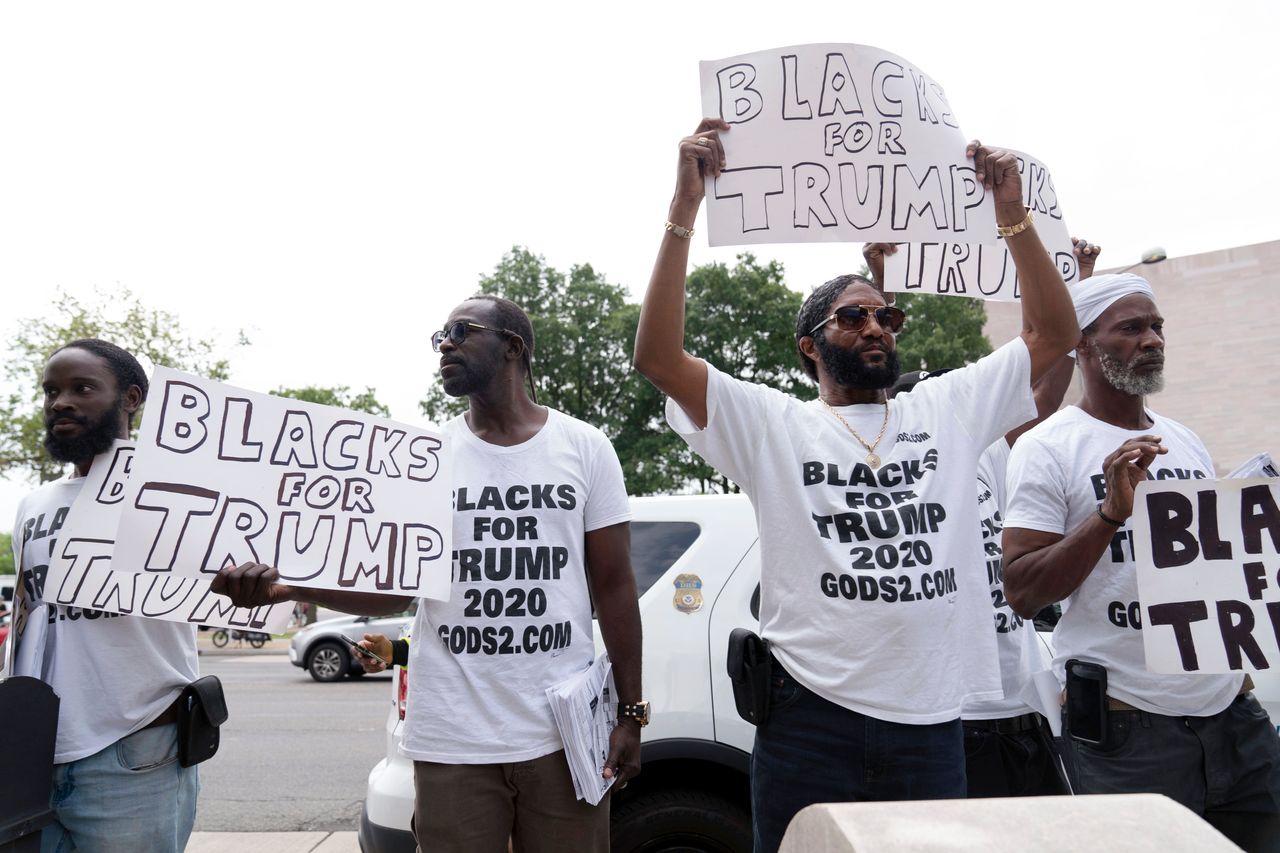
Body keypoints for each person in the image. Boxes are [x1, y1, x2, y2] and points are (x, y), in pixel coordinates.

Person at [633, 119, 1079, 853]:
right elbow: (658, 353)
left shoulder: (947, 409)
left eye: (886, 315)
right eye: (852, 316)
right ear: (810, 346)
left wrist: (1013, 218)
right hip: (808, 720)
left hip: (934, 722)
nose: (876, 326)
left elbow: (1054, 335)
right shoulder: (772, 424)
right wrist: (683, 210)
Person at [214, 296, 644, 853]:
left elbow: (614, 587)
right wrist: (290, 586)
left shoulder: (584, 447)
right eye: (440, 335)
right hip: (452, 738)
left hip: (563, 736)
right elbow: (392, 586)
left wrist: (631, 713)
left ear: (514, 347)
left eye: (462, 331)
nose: (445, 344)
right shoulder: (425, 458)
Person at [1002, 272, 1280, 850]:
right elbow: (1024, 589)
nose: (1152, 339)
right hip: (1128, 727)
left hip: (1231, 714)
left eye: (1156, 327)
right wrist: (1108, 515)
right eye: (1131, 328)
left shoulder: (1186, 440)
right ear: (1083, 342)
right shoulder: (1047, 447)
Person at [870, 238, 1099, 800]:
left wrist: (1073, 288)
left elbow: (1038, 390)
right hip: (943, 714)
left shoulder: (990, 451)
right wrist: (883, 288)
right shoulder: (886, 454)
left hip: (1019, 710)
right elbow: (863, 385)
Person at [8, 339, 199, 852]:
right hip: (34, 750)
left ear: (131, 399)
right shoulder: (32, 504)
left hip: (134, 746)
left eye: (81, 388)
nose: (60, 402)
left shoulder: (177, 494)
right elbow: (29, 622)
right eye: (51, 391)